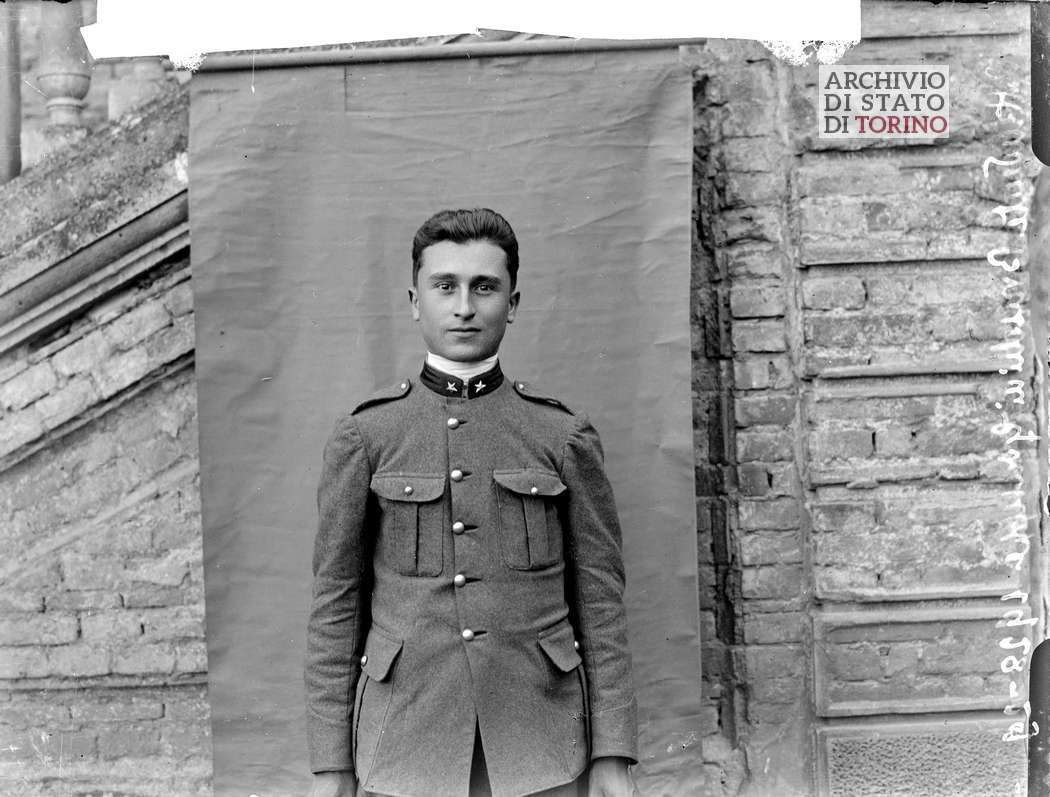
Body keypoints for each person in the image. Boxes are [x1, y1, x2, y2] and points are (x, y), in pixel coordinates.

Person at [305, 208, 637, 797]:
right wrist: (332, 766)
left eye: (484, 287)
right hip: (406, 737)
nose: (464, 306)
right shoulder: (368, 436)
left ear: (513, 303)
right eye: (445, 286)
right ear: (415, 302)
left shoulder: (560, 435)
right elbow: (337, 603)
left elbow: (600, 599)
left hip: (541, 737)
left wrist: (612, 751)